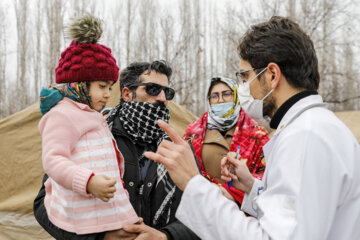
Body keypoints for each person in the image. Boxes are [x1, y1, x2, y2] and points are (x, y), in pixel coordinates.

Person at [145, 16, 360, 239]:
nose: (241, 89)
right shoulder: (317, 126)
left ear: (272, 75)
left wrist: (193, 184)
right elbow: (298, 212)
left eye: (246, 76)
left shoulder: (304, 137)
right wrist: (250, 186)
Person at [34, 60, 200, 240]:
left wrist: (165, 236)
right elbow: (43, 204)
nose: (162, 98)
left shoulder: (179, 150)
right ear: (127, 94)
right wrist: (101, 237)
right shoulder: (90, 135)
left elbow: (200, 215)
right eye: (152, 89)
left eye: (167, 92)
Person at [37, 14, 139, 235]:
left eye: (110, 88)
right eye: (102, 86)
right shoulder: (62, 115)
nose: (107, 95)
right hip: (82, 215)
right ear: (80, 84)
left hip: (104, 210)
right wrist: (88, 182)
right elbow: (53, 160)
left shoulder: (93, 114)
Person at [183, 76, 269, 204]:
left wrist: (233, 193)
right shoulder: (194, 132)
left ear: (236, 96)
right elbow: (185, 168)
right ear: (209, 100)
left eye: (226, 94)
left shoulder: (257, 133)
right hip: (203, 204)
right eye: (215, 96)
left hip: (243, 209)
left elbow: (267, 174)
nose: (220, 100)